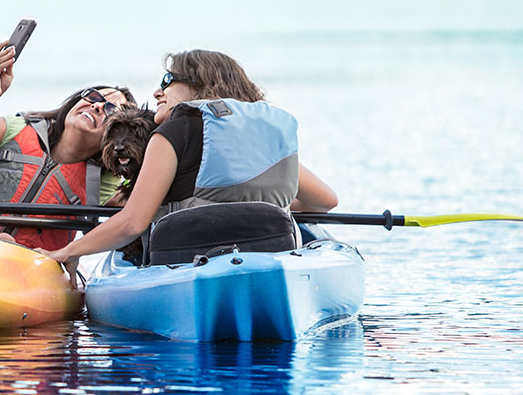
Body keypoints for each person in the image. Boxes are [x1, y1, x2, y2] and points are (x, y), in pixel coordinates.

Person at [44, 49, 337, 265]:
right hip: (270, 254)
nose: (158, 92)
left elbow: (131, 224)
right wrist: (268, 203)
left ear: (199, 85)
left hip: (189, 260)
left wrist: (66, 252)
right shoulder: (263, 138)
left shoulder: (172, 133)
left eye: (168, 80)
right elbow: (325, 201)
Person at [0, 40, 137, 250]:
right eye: (94, 96)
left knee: (6, 243)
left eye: (111, 110)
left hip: (17, 267)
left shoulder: (104, 180)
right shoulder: (15, 128)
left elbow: (142, 208)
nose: (97, 105)